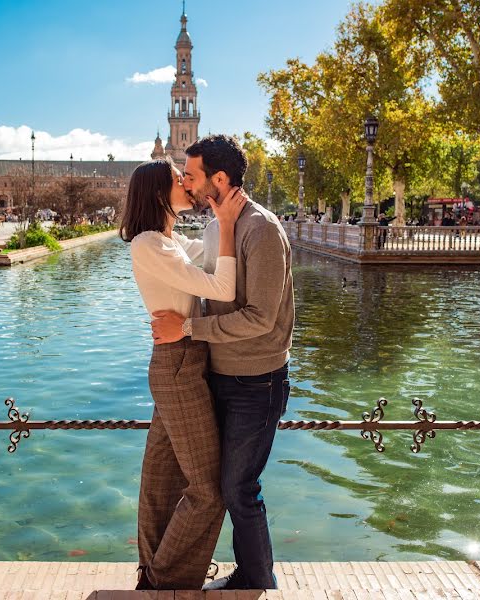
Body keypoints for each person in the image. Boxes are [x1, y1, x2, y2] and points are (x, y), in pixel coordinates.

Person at [152, 135, 295, 591]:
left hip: (257, 382)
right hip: (217, 375)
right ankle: (187, 569)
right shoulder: (220, 226)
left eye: (191, 176)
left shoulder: (262, 229)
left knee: (239, 489)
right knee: (210, 486)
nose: (187, 184)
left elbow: (260, 318)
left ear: (219, 178)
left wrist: (188, 330)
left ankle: (257, 579)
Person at [121, 157, 247, 590]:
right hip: (178, 366)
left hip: (183, 362)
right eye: (180, 180)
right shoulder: (148, 245)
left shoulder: (169, 241)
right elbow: (223, 287)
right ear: (160, 192)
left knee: (160, 479)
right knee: (209, 489)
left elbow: (210, 258)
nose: (187, 184)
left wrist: (220, 207)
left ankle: (151, 571)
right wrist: (228, 224)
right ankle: (165, 579)